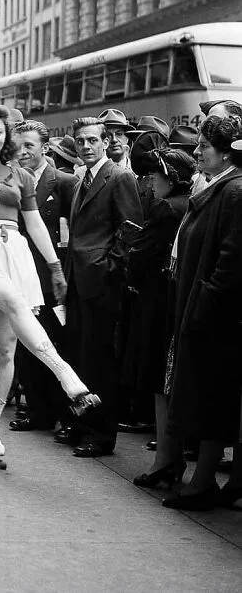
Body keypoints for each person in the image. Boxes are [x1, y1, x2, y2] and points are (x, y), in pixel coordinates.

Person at [0, 103, 99, 469]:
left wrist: (55, 268)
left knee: (4, 350)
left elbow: (34, 226)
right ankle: (67, 377)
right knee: (13, 299)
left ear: (7, 136)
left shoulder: (21, 176)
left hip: (14, 251)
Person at [160, 115, 242, 510]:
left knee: (210, 398)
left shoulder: (234, 191)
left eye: (204, 147)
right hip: (200, 308)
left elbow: (231, 261)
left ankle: (203, 481)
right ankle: (200, 479)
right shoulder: (220, 186)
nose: (196, 153)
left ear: (225, 152)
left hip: (214, 317)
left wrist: (204, 303)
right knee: (201, 395)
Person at [61, 117, 143, 458]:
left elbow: (131, 227)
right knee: (80, 355)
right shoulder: (83, 179)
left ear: (106, 141)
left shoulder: (119, 176)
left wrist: (110, 267)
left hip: (102, 282)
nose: (86, 146)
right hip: (79, 280)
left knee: (99, 360)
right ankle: (82, 423)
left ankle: (101, 433)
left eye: (93, 140)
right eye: (81, 141)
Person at [126, 143, 195, 491]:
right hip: (178, 299)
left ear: (171, 178)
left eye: (155, 175)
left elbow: (141, 257)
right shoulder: (192, 205)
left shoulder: (166, 209)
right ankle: (173, 455)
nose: (150, 181)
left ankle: (164, 461)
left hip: (159, 301)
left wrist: (132, 263)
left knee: (158, 381)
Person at [10, 120, 78, 433]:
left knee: (56, 344)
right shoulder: (7, 178)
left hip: (51, 277)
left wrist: (60, 272)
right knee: (25, 345)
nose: (22, 152)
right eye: (17, 146)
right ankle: (37, 411)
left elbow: (69, 232)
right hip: (17, 273)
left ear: (45, 148)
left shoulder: (63, 182)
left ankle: (64, 414)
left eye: (29, 146)